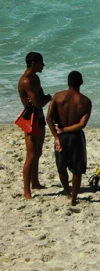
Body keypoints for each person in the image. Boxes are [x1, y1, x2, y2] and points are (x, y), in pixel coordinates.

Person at [46, 71, 92, 206]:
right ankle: (74, 198)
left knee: (61, 167)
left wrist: (56, 136)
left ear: (68, 82)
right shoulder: (85, 101)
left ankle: (67, 192)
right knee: (77, 169)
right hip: (76, 136)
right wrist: (66, 130)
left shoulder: (58, 97)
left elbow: (48, 117)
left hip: (60, 135)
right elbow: (82, 124)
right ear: (81, 83)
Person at [17, 52, 52, 200]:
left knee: (38, 153)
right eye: (41, 62)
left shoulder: (35, 78)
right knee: (31, 156)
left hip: (39, 117)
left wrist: (44, 99)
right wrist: (49, 98)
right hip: (30, 119)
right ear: (33, 63)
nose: (43, 65)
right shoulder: (26, 81)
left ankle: (35, 182)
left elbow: (39, 99)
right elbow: (38, 102)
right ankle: (26, 191)